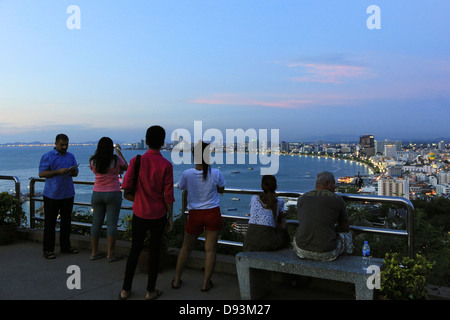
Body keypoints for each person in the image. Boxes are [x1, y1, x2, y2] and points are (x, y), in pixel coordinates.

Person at [119, 126, 175, 300]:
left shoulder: (136, 161)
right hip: (158, 215)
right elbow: (168, 195)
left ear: (147, 140)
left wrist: (138, 199)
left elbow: (126, 185)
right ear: (163, 142)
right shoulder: (166, 165)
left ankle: (125, 290)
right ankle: (150, 291)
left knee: (135, 250)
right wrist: (170, 217)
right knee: (155, 252)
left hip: (140, 212)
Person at [172, 141, 225, 292]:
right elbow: (221, 189)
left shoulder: (187, 174)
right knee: (210, 250)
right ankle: (206, 283)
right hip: (212, 213)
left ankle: (176, 280)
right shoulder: (216, 173)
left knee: (186, 248)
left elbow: (181, 187)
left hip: (195, 214)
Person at [293, 171, 354, 261]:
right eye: (333, 183)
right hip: (327, 252)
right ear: (326, 184)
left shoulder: (302, 198)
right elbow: (345, 227)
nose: (335, 186)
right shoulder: (337, 199)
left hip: (301, 249)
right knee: (350, 234)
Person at [39, 133, 79, 259]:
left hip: (67, 193)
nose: (64, 147)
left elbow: (76, 174)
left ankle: (65, 246)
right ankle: (48, 249)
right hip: (52, 194)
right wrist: (58, 172)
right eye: (62, 145)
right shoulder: (47, 156)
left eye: (66, 144)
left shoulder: (71, 156)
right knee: (50, 223)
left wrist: (73, 171)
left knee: (66, 222)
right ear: (55, 144)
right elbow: (42, 173)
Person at [89, 137, 128, 262]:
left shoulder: (93, 161)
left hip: (97, 193)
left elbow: (96, 171)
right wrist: (118, 151)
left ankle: (94, 252)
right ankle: (110, 254)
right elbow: (126, 166)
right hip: (113, 193)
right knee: (111, 224)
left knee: (96, 223)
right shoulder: (115, 160)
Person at [243, 175, 289, 251]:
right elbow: (279, 221)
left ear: (262, 186)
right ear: (275, 186)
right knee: (284, 224)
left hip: (249, 240)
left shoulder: (254, 198)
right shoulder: (279, 202)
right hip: (267, 242)